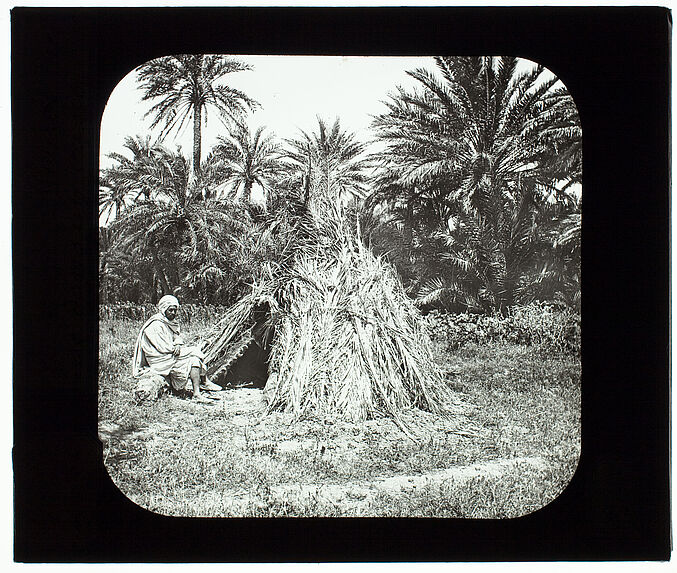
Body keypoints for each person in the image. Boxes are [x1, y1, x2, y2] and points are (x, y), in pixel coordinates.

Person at [132, 295, 221, 404]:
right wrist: (175, 347)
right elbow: (162, 347)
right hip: (159, 358)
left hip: (168, 354)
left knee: (194, 360)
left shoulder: (169, 322)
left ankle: (197, 393)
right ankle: (204, 381)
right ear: (164, 309)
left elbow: (176, 336)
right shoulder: (155, 325)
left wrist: (178, 344)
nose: (173, 313)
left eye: (175, 310)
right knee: (194, 351)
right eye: (171, 310)